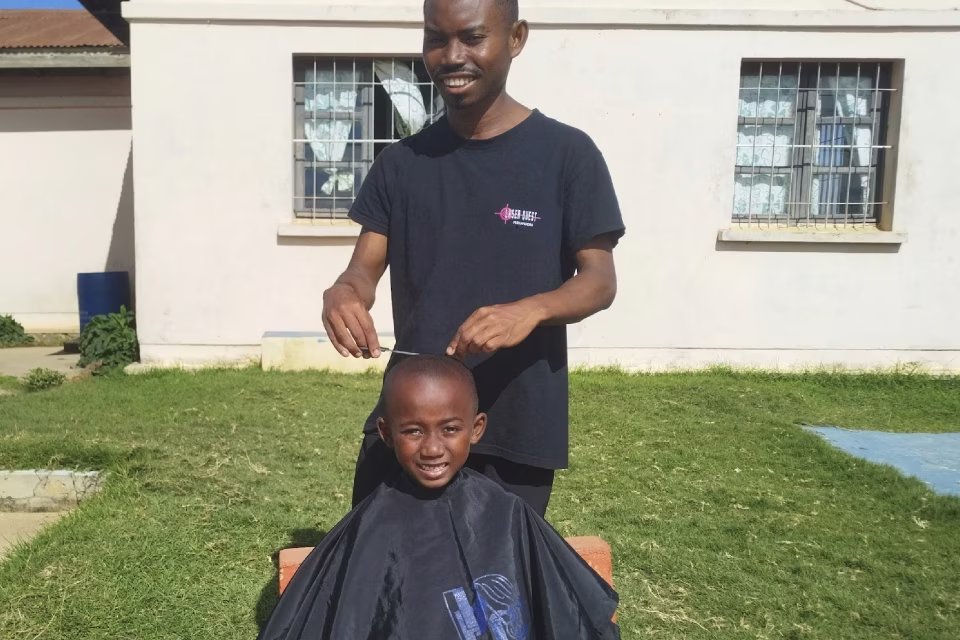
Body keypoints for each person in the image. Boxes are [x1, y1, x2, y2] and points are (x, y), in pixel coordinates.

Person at [322, 0, 625, 517]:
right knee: (381, 576)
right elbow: (362, 271)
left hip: (515, 422)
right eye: (436, 39)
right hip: (413, 424)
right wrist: (343, 294)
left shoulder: (567, 156)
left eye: (472, 37)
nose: (451, 56)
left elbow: (599, 280)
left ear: (516, 38)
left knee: (492, 591)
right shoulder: (402, 165)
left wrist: (527, 310)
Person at [257, 355, 621, 640]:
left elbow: (564, 606)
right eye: (414, 430)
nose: (432, 448)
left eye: (450, 429)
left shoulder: (505, 512)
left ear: (476, 428)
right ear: (386, 433)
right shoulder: (370, 527)